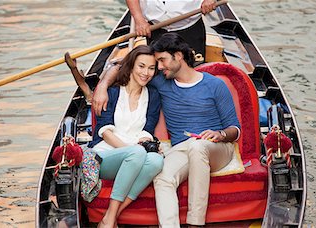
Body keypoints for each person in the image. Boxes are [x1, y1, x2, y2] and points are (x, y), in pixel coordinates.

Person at [92, 33, 240, 227]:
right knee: (162, 177)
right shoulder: (161, 81)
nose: (158, 68)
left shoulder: (215, 85)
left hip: (217, 148)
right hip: (182, 149)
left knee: (198, 148)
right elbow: (124, 68)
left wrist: (219, 134)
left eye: (162, 61)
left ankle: (195, 224)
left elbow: (235, 130)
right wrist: (102, 85)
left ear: (178, 56)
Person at [86, 45, 163, 228]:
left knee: (156, 162)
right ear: (131, 66)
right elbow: (104, 130)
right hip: (105, 156)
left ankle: (111, 216)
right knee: (137, 153)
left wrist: (146, 143)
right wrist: (132, 150)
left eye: (151, 68)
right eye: (141, 66)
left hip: (136, 155)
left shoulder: (153, 95)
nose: (146, 73)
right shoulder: (112, 92)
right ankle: (112, 216)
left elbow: (148, 129)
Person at [127, 0, 220, 62]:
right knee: (158, 75)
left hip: (190, 28)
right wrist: (138, 19)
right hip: (155, 29)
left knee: (192, 72)